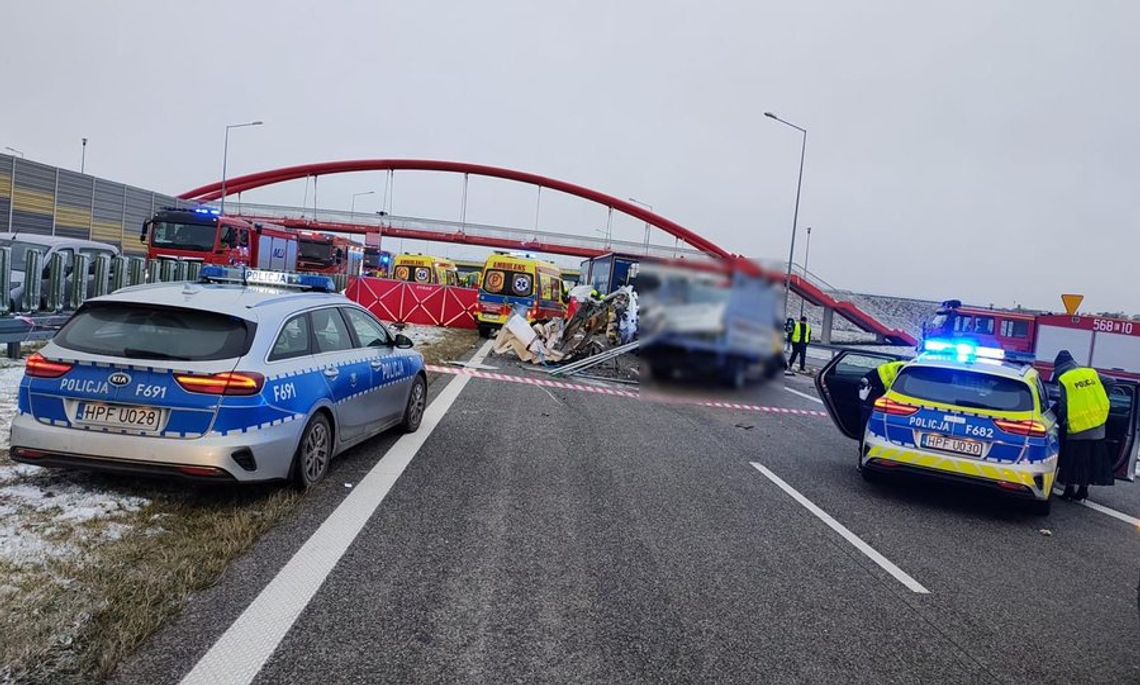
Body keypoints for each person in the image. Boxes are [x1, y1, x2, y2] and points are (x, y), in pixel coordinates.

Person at [1052, 349, 1113, 502]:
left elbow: (1064, 405)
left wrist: (1060, 419)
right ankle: (1083, 491)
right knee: (1090, 459)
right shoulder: (1090, 373)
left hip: (1078, 425)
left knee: (1073, 459)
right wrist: (1100, 399)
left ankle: (1069, 490)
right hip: (1098, 424)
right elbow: (1111, 381)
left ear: (1059, 367)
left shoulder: (1065, 379)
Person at [858, 359, 906, 429]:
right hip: (874, 383)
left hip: (876, 382)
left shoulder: (907, 367)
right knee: (868, 413)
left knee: (869, 412)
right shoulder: (904, 369)